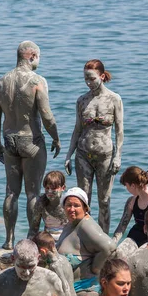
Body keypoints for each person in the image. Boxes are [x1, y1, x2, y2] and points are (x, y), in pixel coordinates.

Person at [0, 41, 61, 250]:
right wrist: (56, 138)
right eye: (38, 57)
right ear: (31, 56)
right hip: (31, 140)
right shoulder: (37, 81)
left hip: (9, 140)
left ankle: (9, 239)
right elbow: (47, 116)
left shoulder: (1, 82)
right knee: (32, 192)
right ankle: (31, 239)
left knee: (11, 192)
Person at [64, 59, 124, 233]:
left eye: (92, 78)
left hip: (105, 155)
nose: (89, 83)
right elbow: (77, 129)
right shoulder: (82, 100)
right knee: (83, 200)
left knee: (104, 200)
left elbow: (119, 131)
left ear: (102, 76)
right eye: (86, 79)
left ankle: (103, 238)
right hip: (83, 154)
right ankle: (84, 238)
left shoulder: (114, 99)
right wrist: (68, 155)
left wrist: (117, 156)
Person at [56, 187, 116, 296]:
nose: (71, 209)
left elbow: (109, 248)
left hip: (84, 295)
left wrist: (95, 269)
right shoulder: (72, 224)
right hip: (72, 294)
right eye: (68, 205)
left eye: (76, 205)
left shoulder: (86, 225)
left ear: (85, 208)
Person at [112, 167, 148, 247]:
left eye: (126, 186)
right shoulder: (131, 201)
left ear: (132, 185)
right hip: (134, 236)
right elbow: (122, 226)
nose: (127, 189)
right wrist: (113, 243)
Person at [28, 170, 68, 241]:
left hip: (66, 239)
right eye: (47, 188)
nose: (49, 191)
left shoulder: (68, 202)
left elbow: (77, 227)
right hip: (48, 240)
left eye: (53, 188)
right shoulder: (41, 203)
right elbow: (33, 229)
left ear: (63, 188)